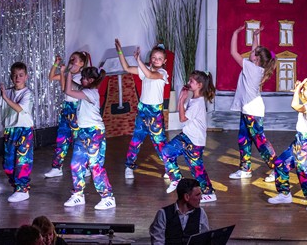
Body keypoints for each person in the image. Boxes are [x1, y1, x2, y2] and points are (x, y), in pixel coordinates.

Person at [268, 77, 307, 212]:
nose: (303, 91)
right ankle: (284, 194)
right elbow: (302, 101)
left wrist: (297, 91)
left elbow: (295, 105)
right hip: (299, 141)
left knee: (302, 171)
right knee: (280, 164)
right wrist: (299, 91)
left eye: (305, 89)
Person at [62, 66, 116, 210]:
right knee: (76, 163)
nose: (81, 80)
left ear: (91, 80)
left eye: (84, 78)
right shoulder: (85, 90)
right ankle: (78, 194)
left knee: (95, 165)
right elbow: (69, 86)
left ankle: (108, 197)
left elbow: (68, 91)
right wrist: (66, 73)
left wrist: (69, 73)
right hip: (82, 131)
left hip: (94, 132)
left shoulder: (91, 93)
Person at [228, 25, 278, 181]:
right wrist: (255, 36)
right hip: (248, 108)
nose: (251, 51)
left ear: (256, 59)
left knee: (260, 142)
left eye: (254, 52)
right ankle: (245, 169)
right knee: (243, 139)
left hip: (252, 110)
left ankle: (277, 169)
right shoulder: (256, 67)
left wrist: (235, 33)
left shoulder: (251, 68)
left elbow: (233, 53)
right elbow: (255, 50)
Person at [115, 39, 170, 180]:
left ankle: (169, 168)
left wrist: (139, 60)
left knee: (159, 142)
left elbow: (150, 75)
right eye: (154, 57)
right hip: (143, 111)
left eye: (160, 58)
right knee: (136, 140)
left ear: (164, 61)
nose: (156, 60)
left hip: (155, 113)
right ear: (150, 58)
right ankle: (129, 166)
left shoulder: (162, 73)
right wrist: (120, 51)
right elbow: (127, 67)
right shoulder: (144, 70)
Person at [0, 61, 34, 202]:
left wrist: (5, 97)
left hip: (24, 130)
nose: (17, 78)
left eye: (21, 75)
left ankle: (22, 189)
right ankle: (17, 186)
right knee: (8, 165)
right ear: (11, 77)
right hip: (10, 131)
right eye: (15, 75)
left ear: (26, 77)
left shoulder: (27, 93)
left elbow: (19, 108)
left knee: (22, 161)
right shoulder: (8, 92)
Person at [162, 71, 217, 203]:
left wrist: (182, 100)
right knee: (166, 151)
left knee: (197, 169)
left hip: (194, 141)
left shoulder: (198, 103)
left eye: (191, 81)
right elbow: (182, 114)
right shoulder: (194, 100)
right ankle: (176, 178)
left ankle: (209, 193)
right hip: (187, 136)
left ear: (199, 85)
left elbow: (182, 118)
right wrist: (182, 98)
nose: (188, 83)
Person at [45, 51, 90, 178]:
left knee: (78, 140)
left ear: (81, 63)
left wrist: (64, 73)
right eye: (71, 58)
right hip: (67, 109)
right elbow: (51, 77)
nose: (71, 60)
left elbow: (65, 89)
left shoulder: (81, 77)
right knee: (61, 138)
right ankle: (56, 167)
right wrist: (56, 65)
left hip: (76, 110)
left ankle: (84, 167)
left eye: (74, 59)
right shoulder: (68, 74)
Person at [149, 178, 210, 245]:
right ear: (186, 197)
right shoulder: (163, 214)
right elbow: (158, 242)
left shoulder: (201, 213)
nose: (201, 198)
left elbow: (205, 239)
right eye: (197, 195)